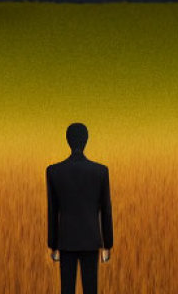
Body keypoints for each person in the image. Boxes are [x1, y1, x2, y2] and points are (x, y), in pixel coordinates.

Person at [46, 122, 113, 294]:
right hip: (91, 239)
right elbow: (106, 210)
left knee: (66, 289)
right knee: (91, 288)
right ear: (86, 141)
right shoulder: (100, 171)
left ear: (67, 140)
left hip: (66, 240)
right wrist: (107, 244)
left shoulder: (54, 171)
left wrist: (53, 245)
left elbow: (53, 211)